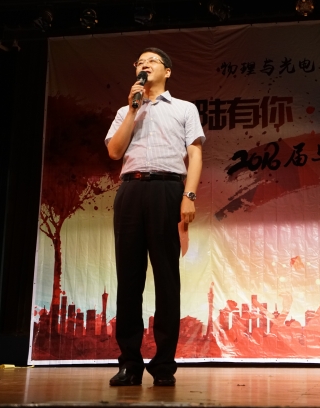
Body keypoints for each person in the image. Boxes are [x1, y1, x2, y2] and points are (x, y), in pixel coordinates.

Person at [105, 48, 204, 387]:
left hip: (168, 189)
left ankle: (163, 365)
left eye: (152, 61)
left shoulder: (184, 108)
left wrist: (189, 196)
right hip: (131, 190)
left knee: (166, 278)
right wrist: (133, 110)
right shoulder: (125, 110)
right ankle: (130, 364)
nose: (144, 65)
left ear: (168, 71)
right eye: (140, 62)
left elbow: (195, 154)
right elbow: (114, 151)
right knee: (129, 280)